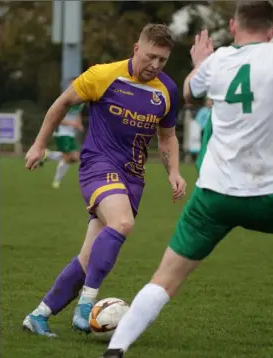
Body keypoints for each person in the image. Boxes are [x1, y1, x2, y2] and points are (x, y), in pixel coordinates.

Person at [81, 1, 273, 358]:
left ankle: (114, 352)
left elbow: (191, 91)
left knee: (164, 279)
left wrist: (201, 62)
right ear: (272, 31)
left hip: (210, 197)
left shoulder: (219, 59)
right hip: (264, 194)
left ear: (233, 25)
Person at [23, 23, 186, 337]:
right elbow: (62, 103)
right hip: (98, 164)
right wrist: (40, 143)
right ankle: (86, 304)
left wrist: (174, 172)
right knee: (122, 223)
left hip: (133, 177)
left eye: (162, 60)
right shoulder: (103, 75)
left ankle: (39, 315)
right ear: (136, 48)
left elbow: (167, 138)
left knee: (89, 257)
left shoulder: (167, 91)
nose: (155, 65)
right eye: (151, 56)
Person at [43, 89, 85, 188]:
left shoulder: (80, 102)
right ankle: (56, 181)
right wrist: (71, 123)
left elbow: (77, 113)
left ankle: (48, 155)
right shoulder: (65, 101)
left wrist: (79, 124)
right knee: (71, 157)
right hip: (61, 133)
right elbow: (56, 118)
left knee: (73, 158)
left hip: (70, 134)